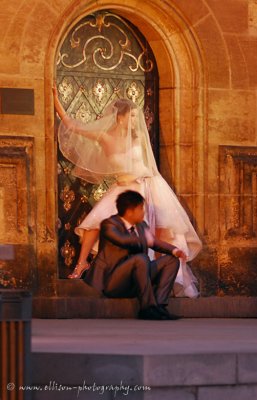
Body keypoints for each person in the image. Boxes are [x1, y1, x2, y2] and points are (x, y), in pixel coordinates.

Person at [53, 88, 202, 297]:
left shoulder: (139, 136)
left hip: (147, 185)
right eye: (131, 116)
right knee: (94, 224)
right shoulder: (104, 137)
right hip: (122, 187)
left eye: (136, 116)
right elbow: (72, 126)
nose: (135, 120)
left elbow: (149, 164)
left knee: (161, 229)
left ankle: (159, 276)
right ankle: (81, 265)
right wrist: (56, 101)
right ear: (119, 117)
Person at [85, 190, 185, 320]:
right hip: (113, 282)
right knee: (141, 259)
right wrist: (145, 240)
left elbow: (154, 242)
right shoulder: (109, 224)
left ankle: (158, 307)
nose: (143, 212)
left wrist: (175, 250)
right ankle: (147, 308)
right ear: (129, 211)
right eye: (141, 208)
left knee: (172, 260)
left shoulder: (141, 225)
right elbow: (122, 240)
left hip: (137, 278)